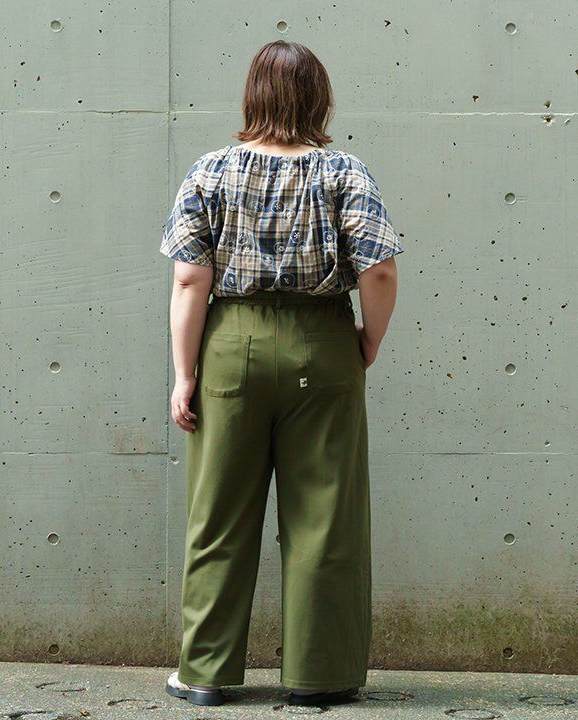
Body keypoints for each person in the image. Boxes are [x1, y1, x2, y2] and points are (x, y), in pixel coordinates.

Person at [159, 40, 404, 708]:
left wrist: (185, 374)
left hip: (231, 346)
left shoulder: (210, 172)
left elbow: (189, 280)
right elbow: (380, 271)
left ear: (254, 96)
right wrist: (368, 339)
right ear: (319, 98)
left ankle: (205, 673)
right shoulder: (345, 173)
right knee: (324, 514)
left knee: (217, 513)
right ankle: (319, 677)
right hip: (322, 344)